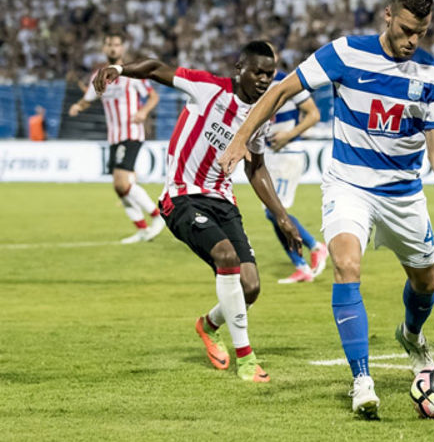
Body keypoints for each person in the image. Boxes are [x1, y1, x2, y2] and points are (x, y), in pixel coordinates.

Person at [218, 0, 434, 417]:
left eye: (421, 33)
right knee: (346, 265)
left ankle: (412, 336)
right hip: (349, 185)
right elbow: (281, 91)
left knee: (427, 283)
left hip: (403, 194)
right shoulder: (345, 53)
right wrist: (240, 139)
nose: (412, 41)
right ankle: (362, 380)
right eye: (405, 30)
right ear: (388, 15)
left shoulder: (432, 75)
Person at [92, 40, 303, 383]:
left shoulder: (259, 116)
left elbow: (256, 167)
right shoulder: (208, 88)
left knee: (250, 287)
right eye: (258, 73)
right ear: (240, 69)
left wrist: (282, 215)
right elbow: (155, 69)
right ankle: (246, 360)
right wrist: (119, 69)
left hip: (223, 200)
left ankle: (208, 325)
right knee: (226, 256)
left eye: (270, 74)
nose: (265, 80)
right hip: (182, 196)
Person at [68, 32, 165, 244]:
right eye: (109, 44)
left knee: (122, 183)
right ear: (104, 48)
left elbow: (153, 96)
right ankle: (142, 229)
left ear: (123, 48)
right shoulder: (98, 77)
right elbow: (88, 99)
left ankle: (157, 216)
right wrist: (77, 106)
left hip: (131, 133)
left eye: (117, 44)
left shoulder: (132, 73)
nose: (113, 48)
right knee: (120, 186)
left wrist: (143, 112)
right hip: (114, 136)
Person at [263, 69, 329, 284]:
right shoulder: (257, 83)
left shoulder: (287, 81)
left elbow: (314, 114)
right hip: (271, 154)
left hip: (288, 153)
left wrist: (289, 135)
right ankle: (302, 267)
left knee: (275, 212)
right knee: (273, 212)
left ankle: (315, 247)